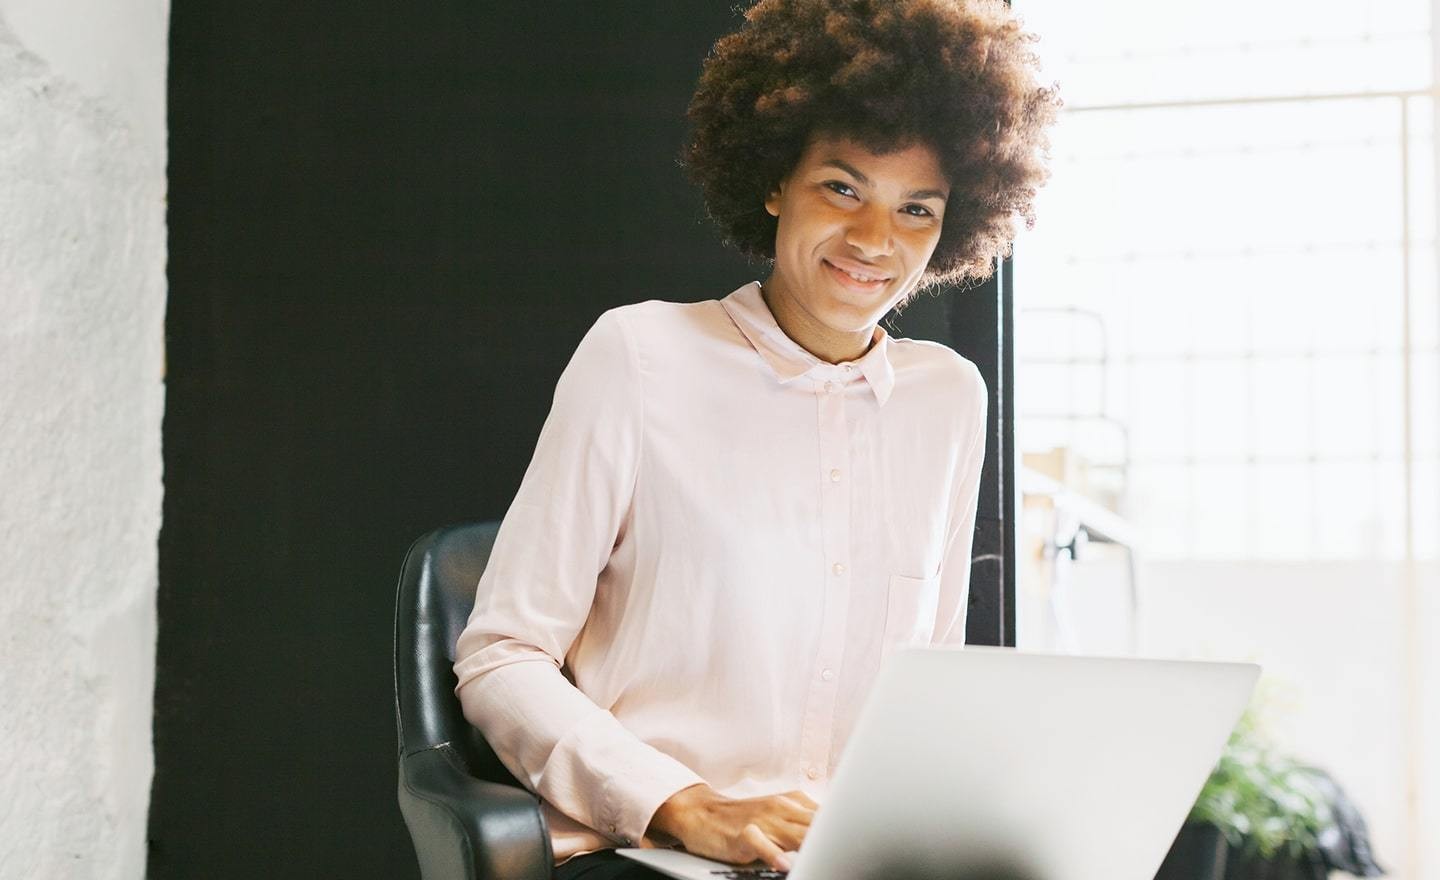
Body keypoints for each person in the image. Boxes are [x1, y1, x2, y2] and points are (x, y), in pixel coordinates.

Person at [451, 1, 1060, 877]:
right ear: (776, 180)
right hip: (655, 852)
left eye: (916, 210)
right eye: (842, 188)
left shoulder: (948, 399)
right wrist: (682, 805)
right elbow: (501, 656)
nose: (874, 241)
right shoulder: (640, 355)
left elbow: (929, 678)